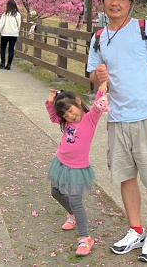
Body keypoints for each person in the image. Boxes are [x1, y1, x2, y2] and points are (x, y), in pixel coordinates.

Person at [87, 0, 147, 263]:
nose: (115, 3)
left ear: (129, 4)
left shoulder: (144, 29)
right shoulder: (99, 37)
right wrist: (98, 77)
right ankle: (135, 229)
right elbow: (93, 79)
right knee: (125, 176)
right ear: (103, 3)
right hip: (117, 117)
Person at [45, 85, 109, 257]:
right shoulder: (65, 122)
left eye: (72, 111)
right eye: (66, 115)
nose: (71, 116)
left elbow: (98, 105)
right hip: (61, 163)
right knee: (56, 192)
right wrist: (50, 101)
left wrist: (102, 87)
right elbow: (53, 117)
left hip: (78, 168)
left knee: (76, 200)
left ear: (79, 103)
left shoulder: (90, 119)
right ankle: (72, 215)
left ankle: (85, 237)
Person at [0, 0, 22, 70]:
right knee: (11, 49)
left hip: (5, 34)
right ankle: (9, 65)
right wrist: (16, 31)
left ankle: (2, 64)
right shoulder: (18, 15)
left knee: (3, 48)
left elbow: (0, 26)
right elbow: (19, 25)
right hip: (14, 34)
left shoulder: (4, 14)